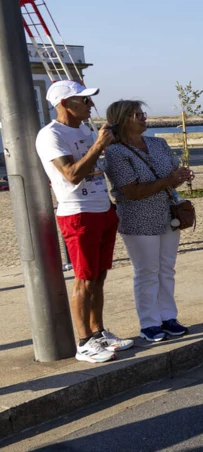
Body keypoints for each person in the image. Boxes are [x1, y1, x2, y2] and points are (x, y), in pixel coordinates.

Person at [35, 80, 134, 362]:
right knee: (84, 278)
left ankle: (99, 332)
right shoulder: (50, 135)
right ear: (65, 104)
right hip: (78, 212)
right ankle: (84, 342)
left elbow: (95, 166)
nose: (91, 105)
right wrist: (100, 144)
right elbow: (71, 174)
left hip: (102, 209)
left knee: (99, 276)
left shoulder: (82, 129)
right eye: (84, 100)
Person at [103, 99, 193, 343]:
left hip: (168, 215)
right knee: (147, 272)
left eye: (143, 113)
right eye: (136, 114)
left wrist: (181, 177)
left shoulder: (158, 143)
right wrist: (168, 179)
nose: (143, 117)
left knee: (166, 269)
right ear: (121, 120)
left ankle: (168, 317)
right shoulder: (115, 152)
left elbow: (172, 175)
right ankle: (149, 323)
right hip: (138, 220)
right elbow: (131, 191)